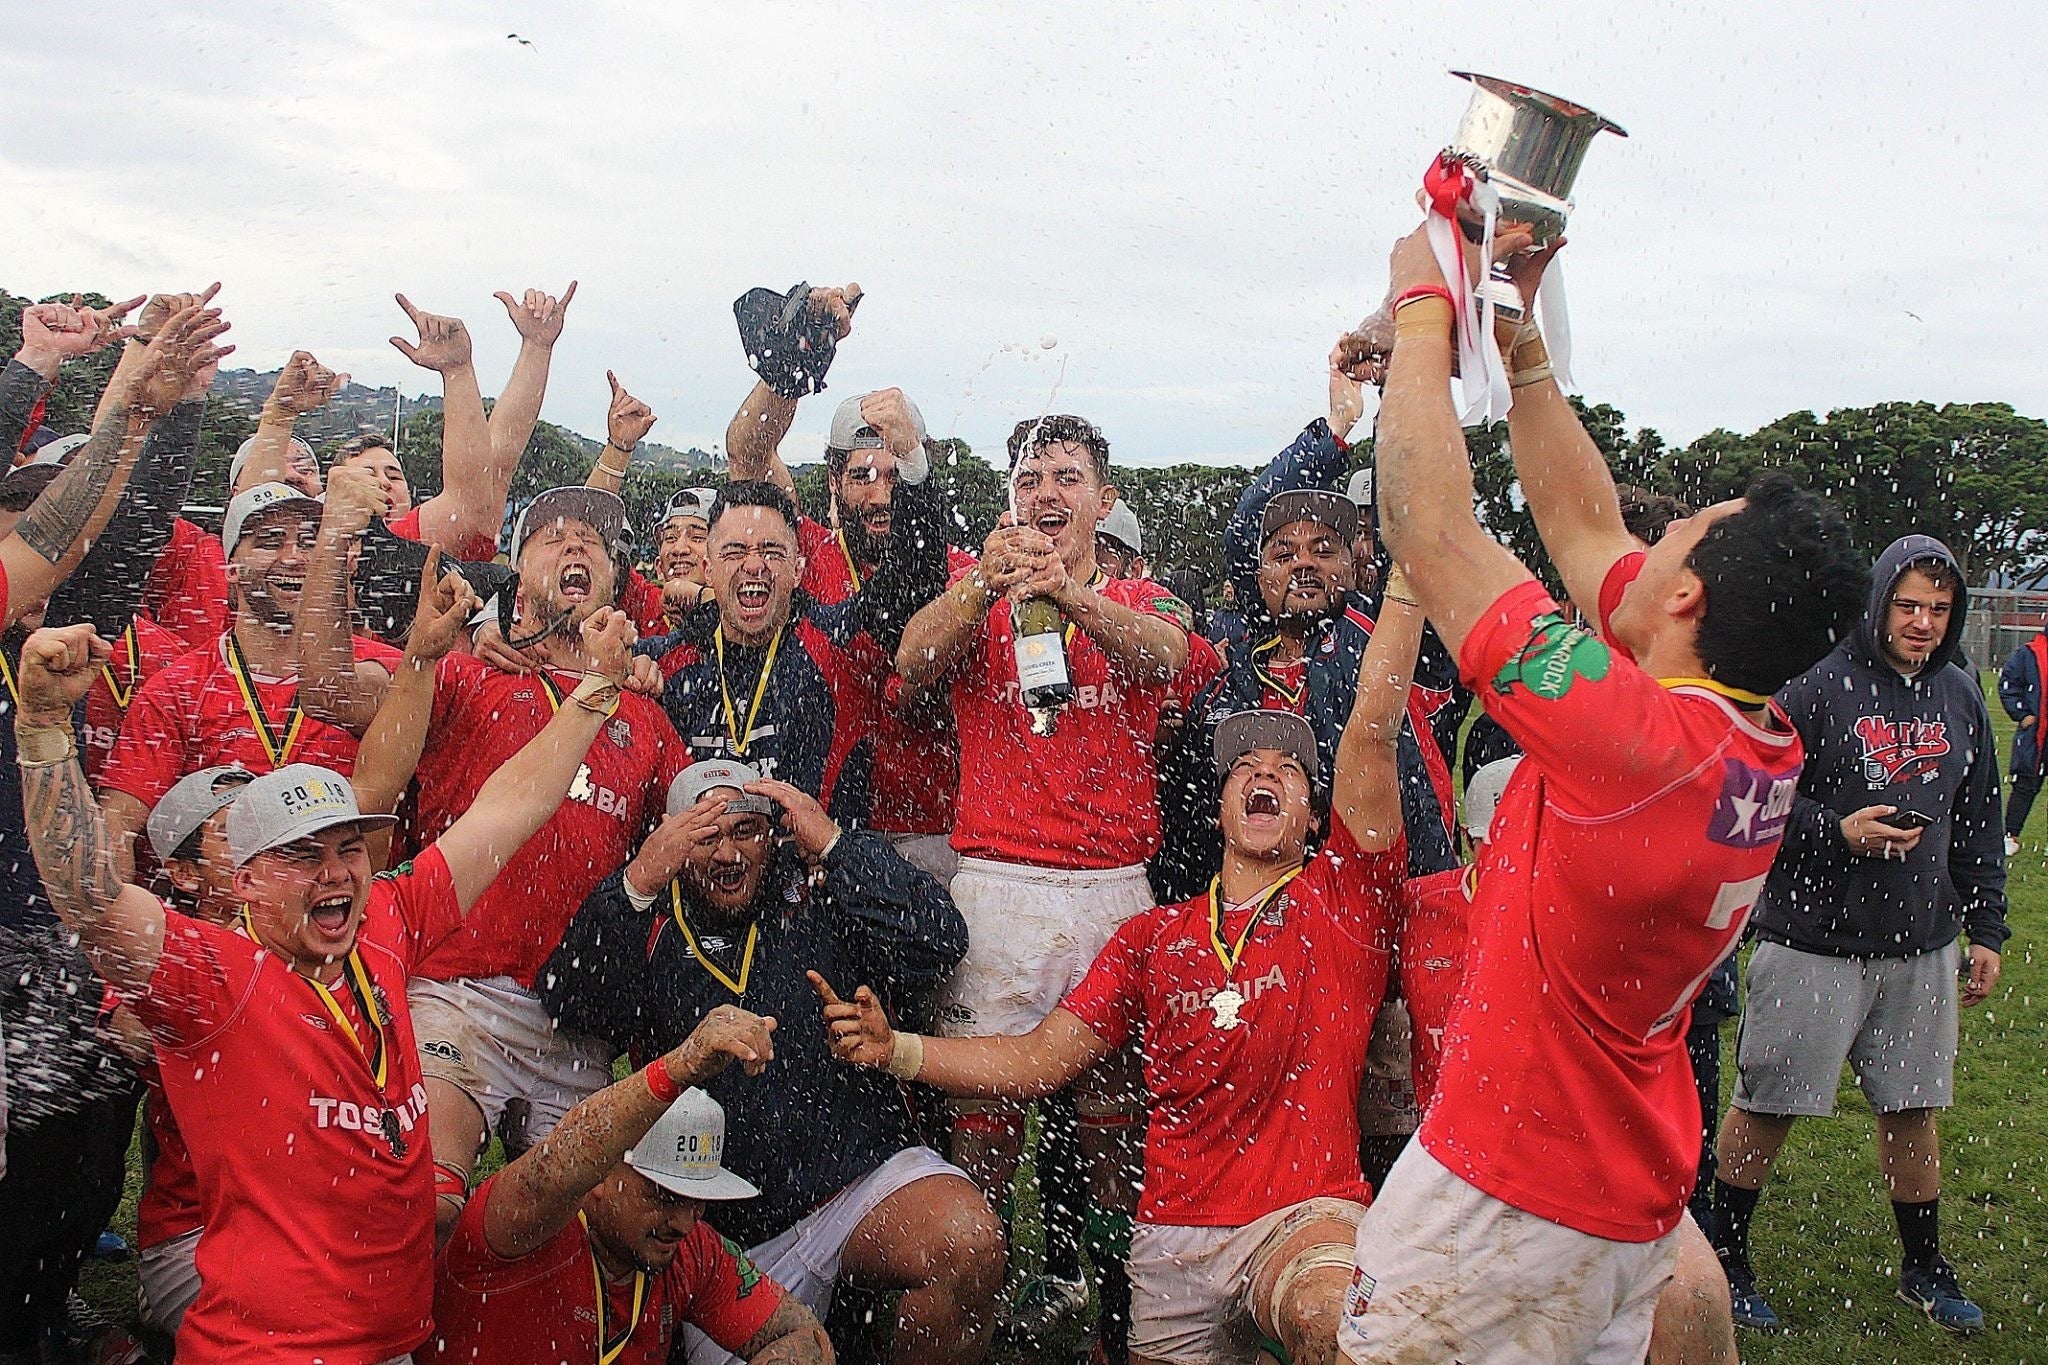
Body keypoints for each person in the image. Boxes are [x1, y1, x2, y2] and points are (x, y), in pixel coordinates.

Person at [1334, 218, 1866, 1362]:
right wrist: (1519, 349)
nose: (1648, 537)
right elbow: (1581, 530)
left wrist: (1421, 300)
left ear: (1683, 602)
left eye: (1678, 534)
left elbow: (1430, 532)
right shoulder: (1743, 733)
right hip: (1612, 1189)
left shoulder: (1632, 742)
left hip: (1502, 1199)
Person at [11, 577, 641, 1362]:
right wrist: (43, 729)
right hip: (270, 1346)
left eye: (348, 847)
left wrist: (595, 691)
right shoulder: (215, 974)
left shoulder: (386, 923)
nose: (335, 872)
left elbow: (507, 808)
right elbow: (92, 898)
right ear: (244, 880)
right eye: (302, 856)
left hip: (388, 1334)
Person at [823, 568, 1425, 1365]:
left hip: (1302, 1219)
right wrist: (896, 1048)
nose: (1263, 773)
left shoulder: (1343, 904)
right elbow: (1038, 1061)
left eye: (1287, 769)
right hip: (1174, 1239)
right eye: (1244, 766)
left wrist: (1411, 578)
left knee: (1329, 1319)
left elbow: (1372, 731)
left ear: (1316, 817)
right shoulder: (1153, 936)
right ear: (1219, 807)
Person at [297, 477, 692, 1227]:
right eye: (552, 537)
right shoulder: (464, 671)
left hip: (578, 1017)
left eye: (594, 542)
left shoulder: (644, 712)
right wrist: (334, 540)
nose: (576, 545)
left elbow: (690, 843)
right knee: (427, 1203)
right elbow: (326, 689)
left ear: (616, 582)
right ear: (515, 575)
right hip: (459, 991)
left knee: (575, 1239)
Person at [895, 413, 1192, 1362]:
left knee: (1115, 1128)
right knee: (984, 1127)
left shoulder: (1138, 592)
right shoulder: (976, 586)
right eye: (1030, 479)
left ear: (1104, 500)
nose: (1046, 493)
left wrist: (1070, 596)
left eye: (1067, 477)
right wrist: (984, 583)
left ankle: (1117, 1325)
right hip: (1000, 886)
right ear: (1011, 498)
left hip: (1113, 889)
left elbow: (1170, 656)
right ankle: (973, 1315)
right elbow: (910, 662)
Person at [542, 758, 1000, 1364]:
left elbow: (940, 940)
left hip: (855, 1179)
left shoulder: (815, 886)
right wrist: (636, 882)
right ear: (673, 840)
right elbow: (574, 1007)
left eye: (745, 831)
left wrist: (835, 842)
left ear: (772, 833)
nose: (728, 854)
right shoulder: (649, 914)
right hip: (728, 1230)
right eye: (705, 835)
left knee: (966, 1245)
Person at [1711, 535, 2009, 1336]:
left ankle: (1923, 1266)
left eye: (1939, 609)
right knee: (1768, 1104)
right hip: (1810, 938)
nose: (1923, 622)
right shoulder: (1814, 682)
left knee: (1913, 1106)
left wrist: (1987, 926)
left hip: (1921, 944)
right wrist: (1836, 831)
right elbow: (1747, 791)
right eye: (1908, 604)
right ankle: (1726, 1255)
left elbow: (1978, 820)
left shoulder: (1959, 692)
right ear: (1879, 600)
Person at [425, 1010, 834, 1364]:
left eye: (697, 1201)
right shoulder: (524, 1224)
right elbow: (556, 1166)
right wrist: (680, 1067)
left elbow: (804, 1337)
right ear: (601, 1173)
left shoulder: (691, 1251)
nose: (683, 1223)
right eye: (664, 1196)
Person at [648, 476, 944, 826]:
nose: (753, 565)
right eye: (735, 552)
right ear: (709, 570)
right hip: (704, 857)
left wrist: (913, 465)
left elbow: (912, 574)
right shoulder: (663, 661)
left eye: (772, 552)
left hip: (816, 858)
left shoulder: (834, 641)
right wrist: (619, 661)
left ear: (798, 570)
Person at [1996, 620, 2048, 855]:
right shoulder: (2028, 654)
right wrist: (2023, 714)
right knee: (2025, 785)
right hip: (2036, 736)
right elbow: (2008, 684)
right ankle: (2010, 835)